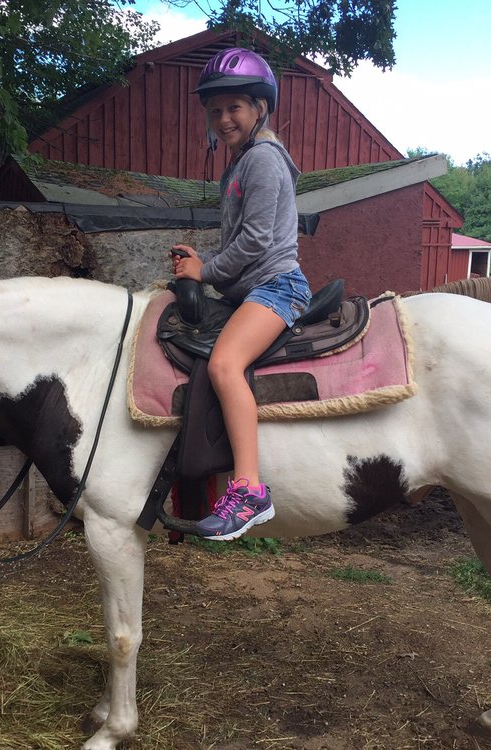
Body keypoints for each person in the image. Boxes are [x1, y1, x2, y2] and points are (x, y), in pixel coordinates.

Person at [171, 47, 312, 541]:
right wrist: (200, 263)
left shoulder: (264, 161)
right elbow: (242, 239)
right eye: (215, 110)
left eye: (234, 107)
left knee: (224, 365)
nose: (223, 117)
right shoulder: (240, 164)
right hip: (249, 287)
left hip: (277, 287)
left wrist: (205, 269)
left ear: (259, 109)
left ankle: (249, 489)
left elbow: (254, 242)